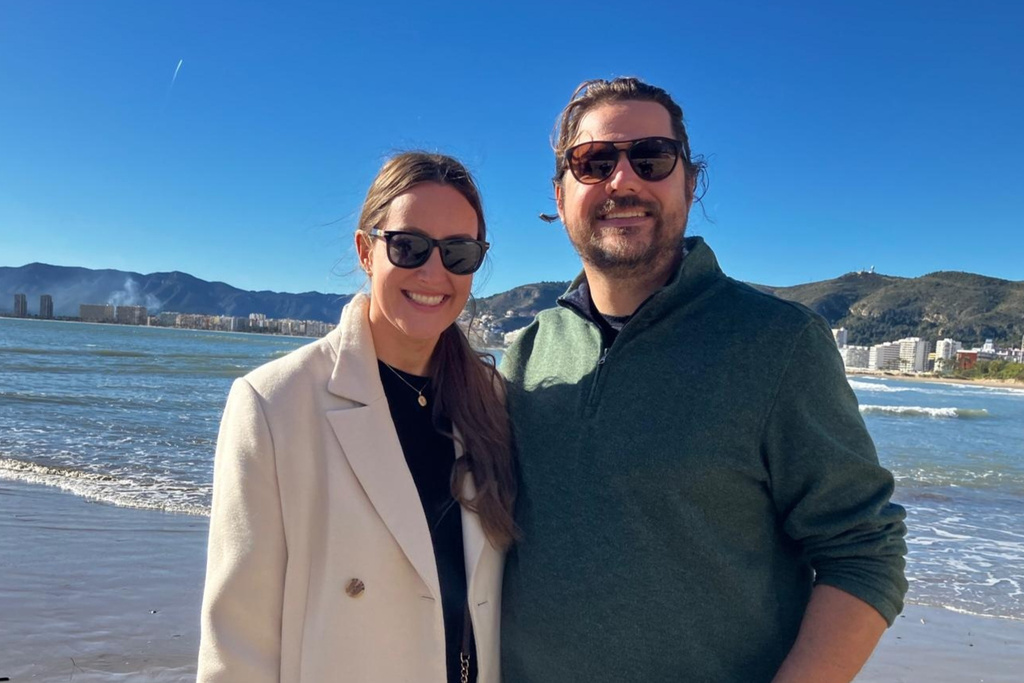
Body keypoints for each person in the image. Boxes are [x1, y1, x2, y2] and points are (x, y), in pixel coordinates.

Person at [500, 77, 908, 683]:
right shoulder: (529, 350)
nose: (624, 179)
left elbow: (864, 553)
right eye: (594, 161)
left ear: (690, 184)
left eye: (652, 157)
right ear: (560, 196)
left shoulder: (779, 343)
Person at [197, 152, 516, 683]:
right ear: (367, 250)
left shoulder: (490, 400)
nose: (434, 272)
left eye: (459, 253)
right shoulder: (275, 403)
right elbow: (237, 638)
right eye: (409, 246)